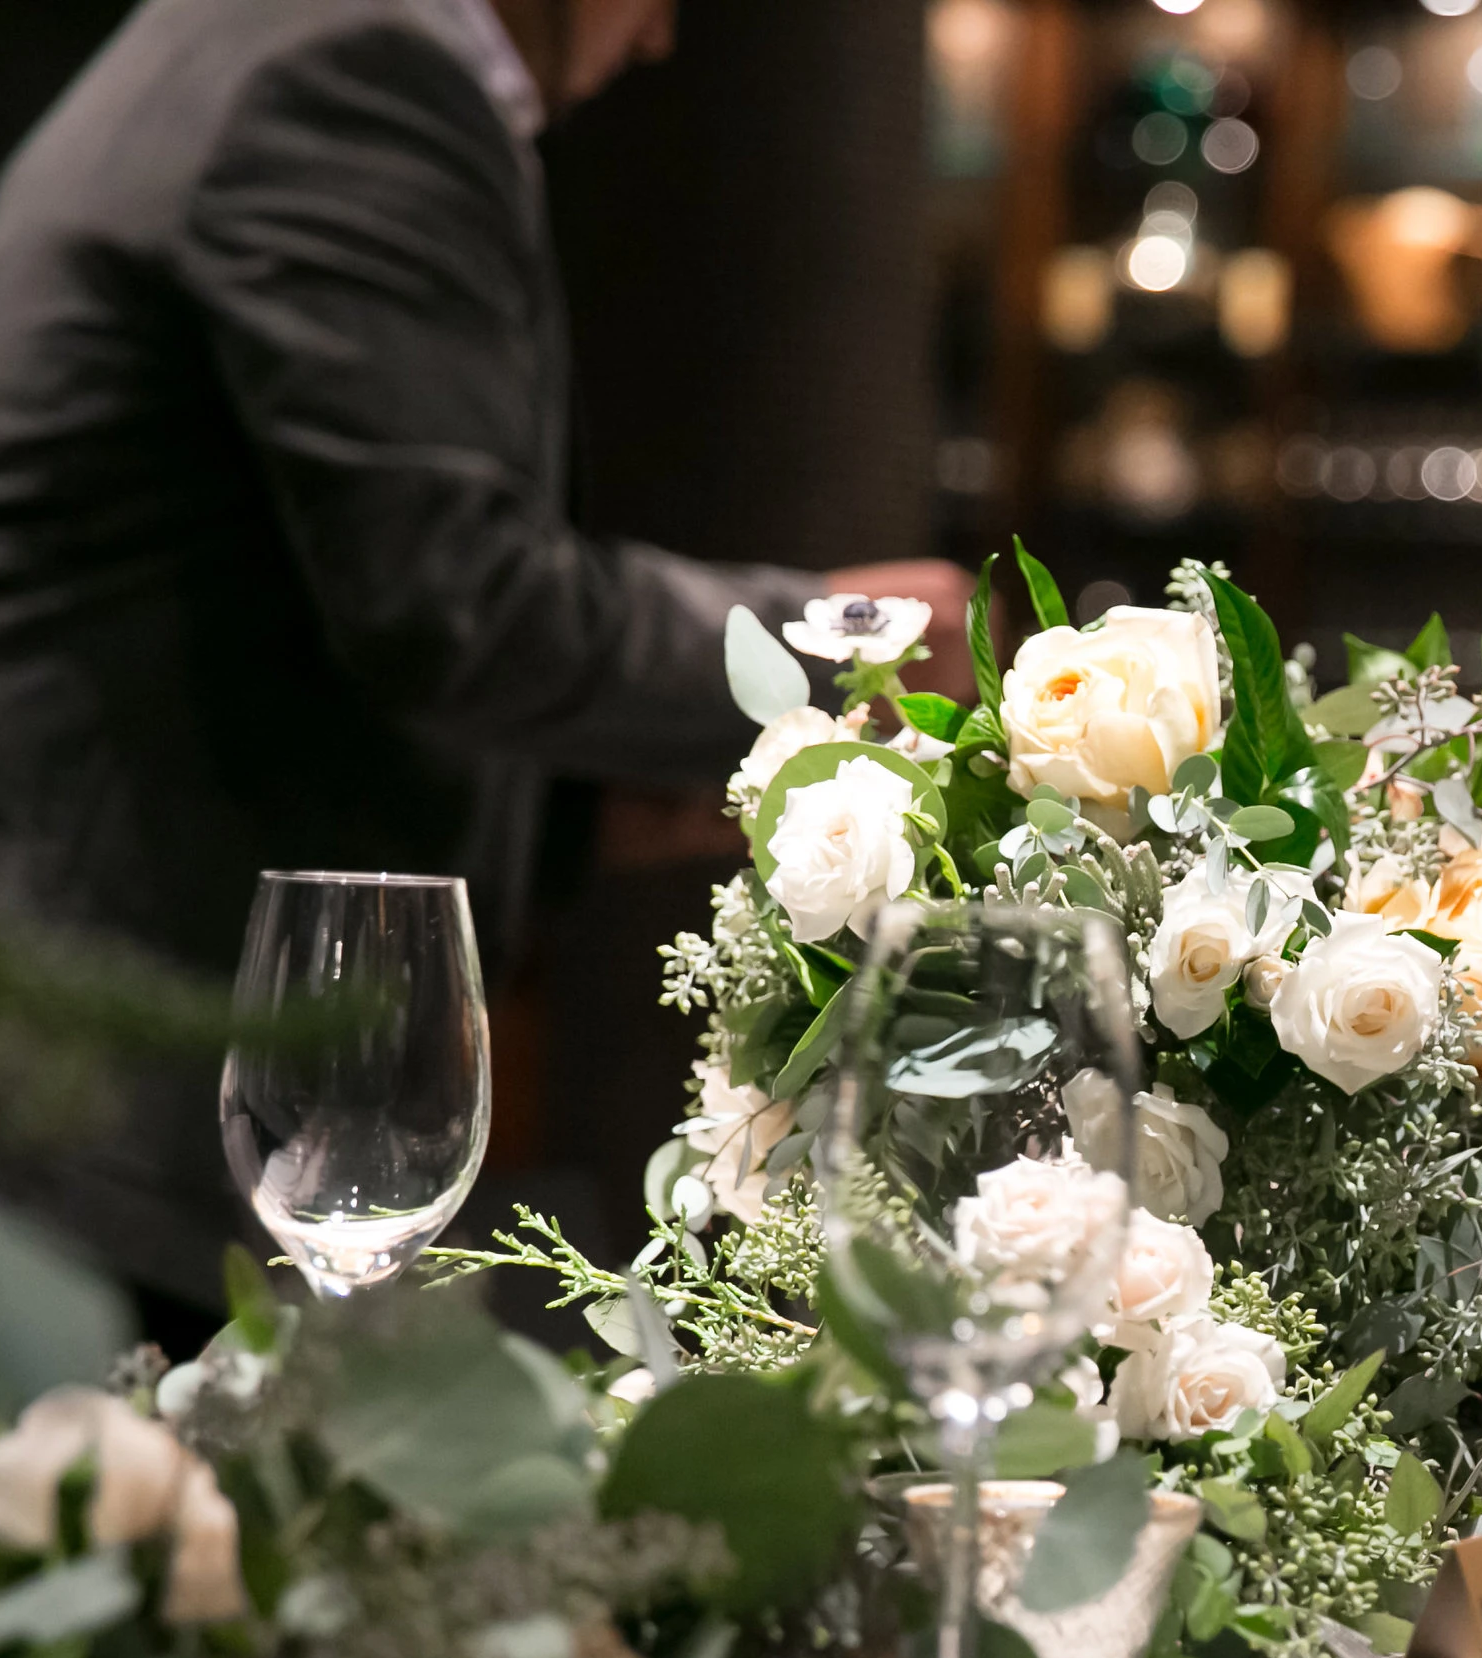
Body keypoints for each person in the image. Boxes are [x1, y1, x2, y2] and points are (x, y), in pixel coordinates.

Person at [0, 0, 968, 1312]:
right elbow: (455, 597)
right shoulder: (350, 68)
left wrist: (573, 814)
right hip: (125, 1090)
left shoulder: (256, 35)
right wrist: (840, 652)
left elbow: (252, 590)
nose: (660, 38)